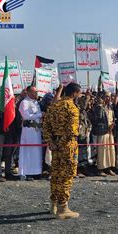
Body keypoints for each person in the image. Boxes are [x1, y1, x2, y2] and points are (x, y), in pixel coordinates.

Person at [43, 82, 81, 219]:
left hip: (56, 147)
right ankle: (63, 207)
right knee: (66, 176)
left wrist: (51, 142)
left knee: (56, 175)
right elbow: (71, 131)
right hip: (67, 146)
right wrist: (60, 144)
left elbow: (46, 125)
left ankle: (53, 204)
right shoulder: (72, 108)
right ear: (75, 93)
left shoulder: (54, 106)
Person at [18, 86, 43, 180]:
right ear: (28, 92)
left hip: (36, 130)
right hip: (28, 130)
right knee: (28, 151)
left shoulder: (36, 102)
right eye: (34, 92)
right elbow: (26, 116)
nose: (36, 94)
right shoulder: (24, 102)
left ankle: (36, 171)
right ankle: (27, 172)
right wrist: (40, 115)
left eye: (36, 92)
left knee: (36, 151)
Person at [91, 92, 116, 176]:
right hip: (102, 132)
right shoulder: (99, 108)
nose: (108, 99)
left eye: (109, 97)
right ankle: (100, 169)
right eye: (106, 97)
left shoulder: (111, 108)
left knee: (110, 151)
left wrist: (112, 126)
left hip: (110, 132)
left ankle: (108, 168)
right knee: (102, 151)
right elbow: (98, 120)